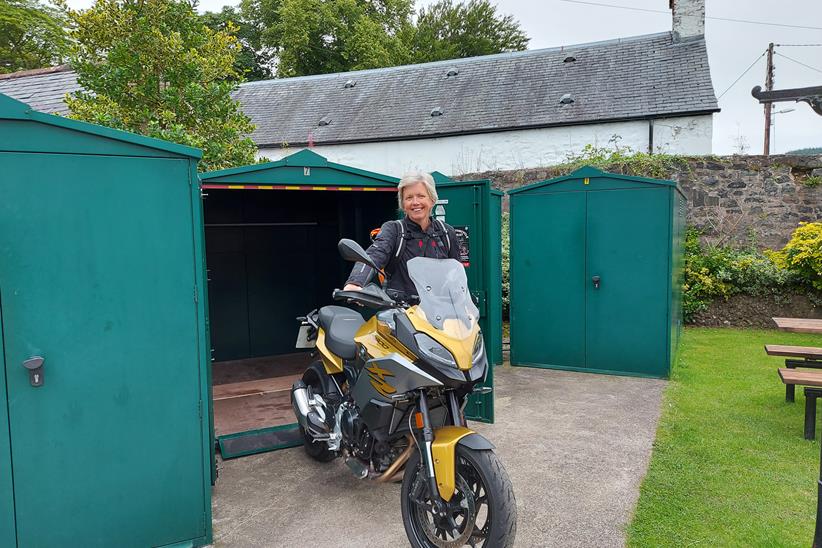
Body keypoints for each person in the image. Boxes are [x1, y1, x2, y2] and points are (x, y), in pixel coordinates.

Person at [344, 171, 461, 300]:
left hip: (439, 313)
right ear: (403, 205)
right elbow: (374, 254)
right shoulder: (394, 229)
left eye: (421, 196)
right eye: (409, 198)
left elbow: (456, 277)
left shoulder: (446, 232)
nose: (415, 202)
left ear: (432, 199)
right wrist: (355, 283)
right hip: (401, 313)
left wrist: (463, 307)